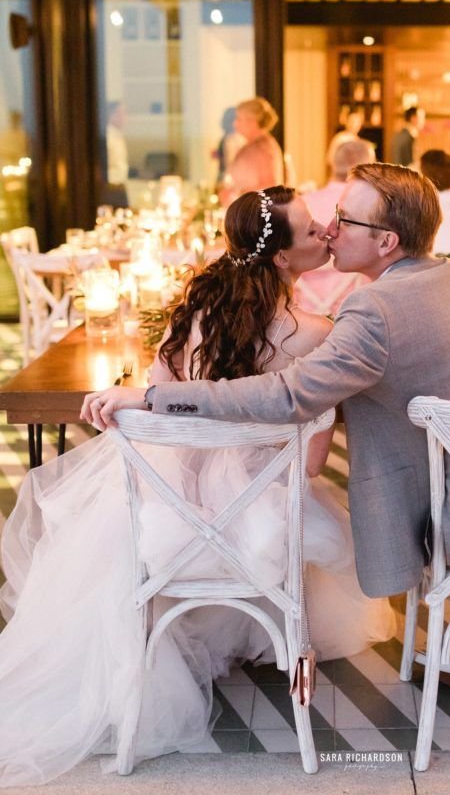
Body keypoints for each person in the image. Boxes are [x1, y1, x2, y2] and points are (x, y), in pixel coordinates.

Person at [86, 163, 450, 698]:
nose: (332, 228)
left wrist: (154, 397)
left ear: (386, 240)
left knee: (417, 501)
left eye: (345, 218)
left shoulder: (370, 310)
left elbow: (286, 396)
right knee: (438, 484)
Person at [0, 186, 394, 787]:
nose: (327, 234)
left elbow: (159, 421)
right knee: (314, 518)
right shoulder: (315, 333)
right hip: (258, 527)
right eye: (314, 230)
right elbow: (311, 466)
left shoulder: (191, 317)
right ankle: (273, 638)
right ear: (283, 259)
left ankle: (178, 627)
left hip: (168, 518)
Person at [296, 138, 375, 315]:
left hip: (303, 312)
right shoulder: (372, 209)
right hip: (356, 310)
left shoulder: (302, 205)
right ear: (368, 169)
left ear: (333, 164)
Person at [224, 97, 286, 202]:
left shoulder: (263, 147)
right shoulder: (253, 145)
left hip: (259, 214)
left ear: (252, 121)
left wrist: (237, 194)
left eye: (239, 119)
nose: (235, 124)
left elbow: (270, 186)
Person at [104, 99, 129, 208]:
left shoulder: (118, 136)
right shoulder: (107, 137)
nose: (124, 117)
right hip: (110, 187)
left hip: (119, 185)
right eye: (121, 113)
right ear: (112, 115)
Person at [214, 105, 246, 187]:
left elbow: (231, 161)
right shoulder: (229, 138)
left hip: (229, 179)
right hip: (225, 175)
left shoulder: (234, 139)